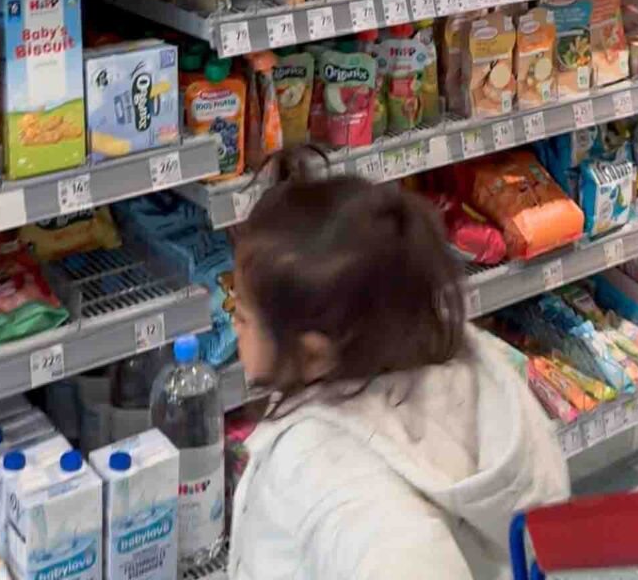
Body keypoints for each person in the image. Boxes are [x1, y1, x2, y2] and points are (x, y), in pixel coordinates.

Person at [229, 147, 569, 580]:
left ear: (313, 350)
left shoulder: (334, 481)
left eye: (242, 315)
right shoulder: (440, 369)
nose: (233, 323)